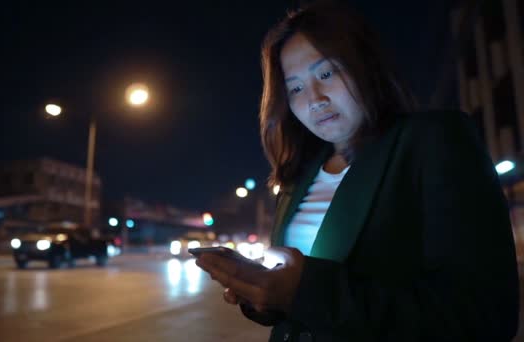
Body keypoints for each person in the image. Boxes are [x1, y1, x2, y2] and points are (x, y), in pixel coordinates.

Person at [195, 1, 520, 341]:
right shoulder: (299, 176)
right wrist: (263, 295)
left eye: (325, 73)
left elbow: (484, 315)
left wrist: (305, 293)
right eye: (295, 88)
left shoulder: (434, 140)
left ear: (365, 66)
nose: (314, 98)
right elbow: (294, 304)